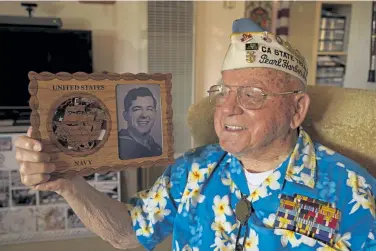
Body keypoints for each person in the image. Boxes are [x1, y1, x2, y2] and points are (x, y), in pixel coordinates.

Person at [15, 18, 376, 251]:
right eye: (222, 92)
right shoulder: (192, 170)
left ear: (296, 110)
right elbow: (128, 234)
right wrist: (67, 184)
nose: (228, 109)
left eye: (252, 95)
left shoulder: (351, 189)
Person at [118, 87, 162, 160]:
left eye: (149, 109)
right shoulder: (119, 146)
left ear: (155, 114)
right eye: (137, 109)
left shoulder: (157, 149)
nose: (144, 115)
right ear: (125, 115)